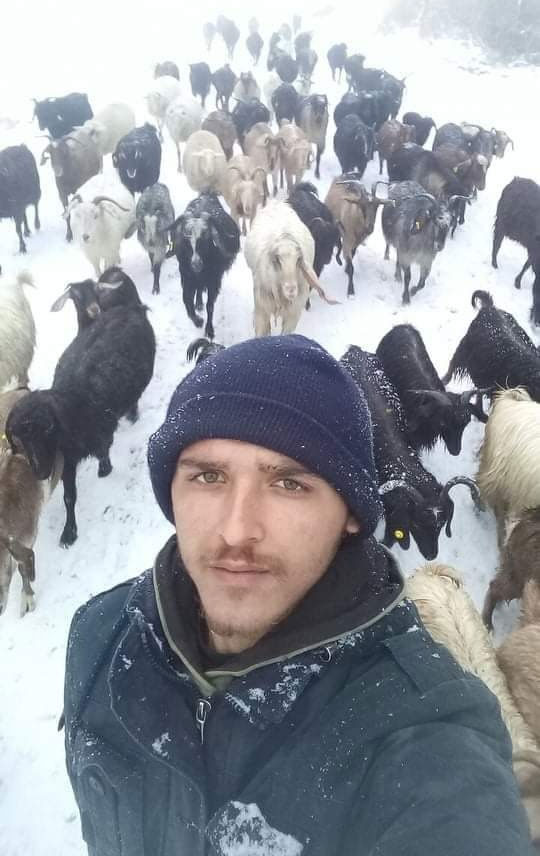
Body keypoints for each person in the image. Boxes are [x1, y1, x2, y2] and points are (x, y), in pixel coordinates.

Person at [63, 334, 533, 856]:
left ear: (351, 513)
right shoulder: (101, 638)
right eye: (209, 476)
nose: (236, 530)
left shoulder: (423, 735)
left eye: (289, 483)